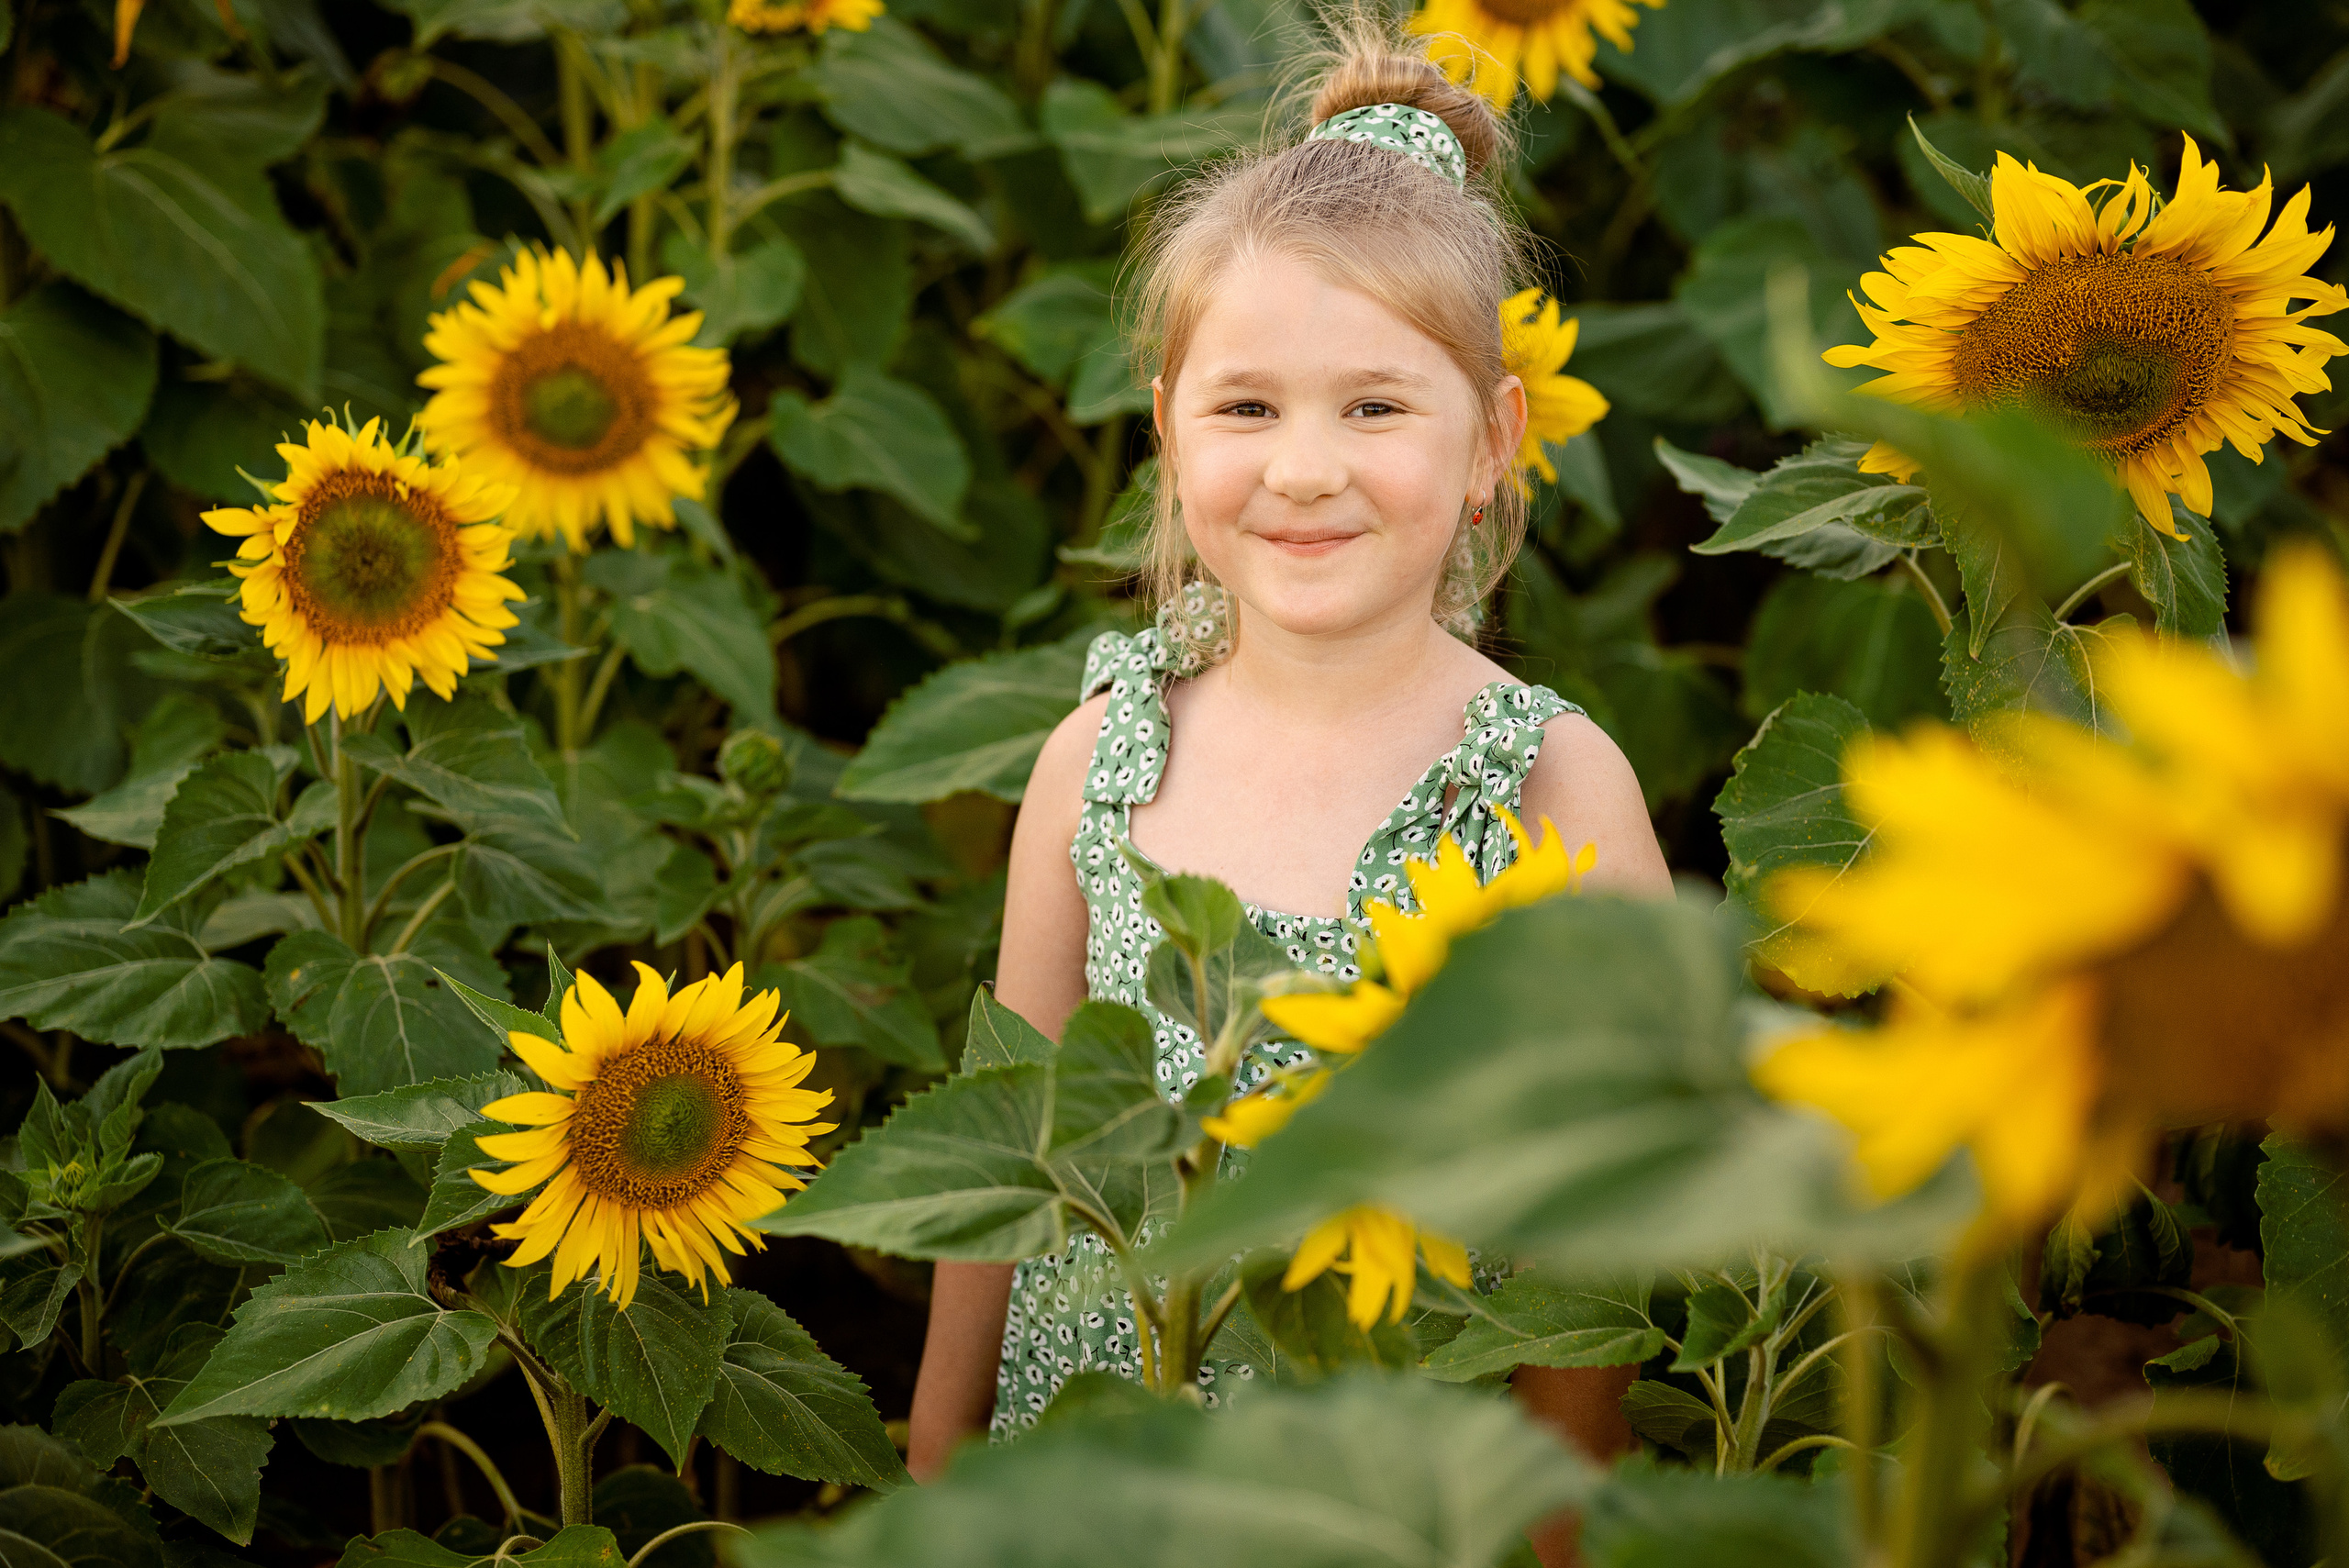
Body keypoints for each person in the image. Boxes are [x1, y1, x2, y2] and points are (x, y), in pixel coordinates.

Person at [907, 20, 1673, 1562]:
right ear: (1167, 429)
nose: (1305, 467)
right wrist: (941, 1438)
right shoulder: (1098, 759)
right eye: (1247, 406)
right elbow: (1014, 1138)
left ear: (1492, 440)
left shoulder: (1550, 783)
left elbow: (1604, 1230)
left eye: (1375, 407)